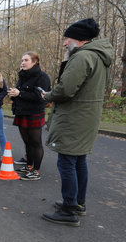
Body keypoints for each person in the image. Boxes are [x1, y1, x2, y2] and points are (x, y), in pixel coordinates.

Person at [41, 18, 113, 226]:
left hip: (74, 117)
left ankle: (69, 209)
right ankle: (77, 203)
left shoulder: (82, 57)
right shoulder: (100, 56)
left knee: (66, 162)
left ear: (79, 40)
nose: (65, 43)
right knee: (79, 161)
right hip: (87, 117)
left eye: (67, 38)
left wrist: (47, 96)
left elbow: (66, 89)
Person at [8, 52, 51, 181]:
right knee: (27, 142)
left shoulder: (42, 77)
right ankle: (28, 166)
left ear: (34, 62)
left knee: (35, 142)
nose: (23, 62)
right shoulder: (22, 75)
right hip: (22, 112)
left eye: (26, 60)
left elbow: (40, 97)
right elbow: (20, 91)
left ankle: (36, 171)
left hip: (34, 113)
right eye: (22, 60)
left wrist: (20, 93)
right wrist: (13, 93)